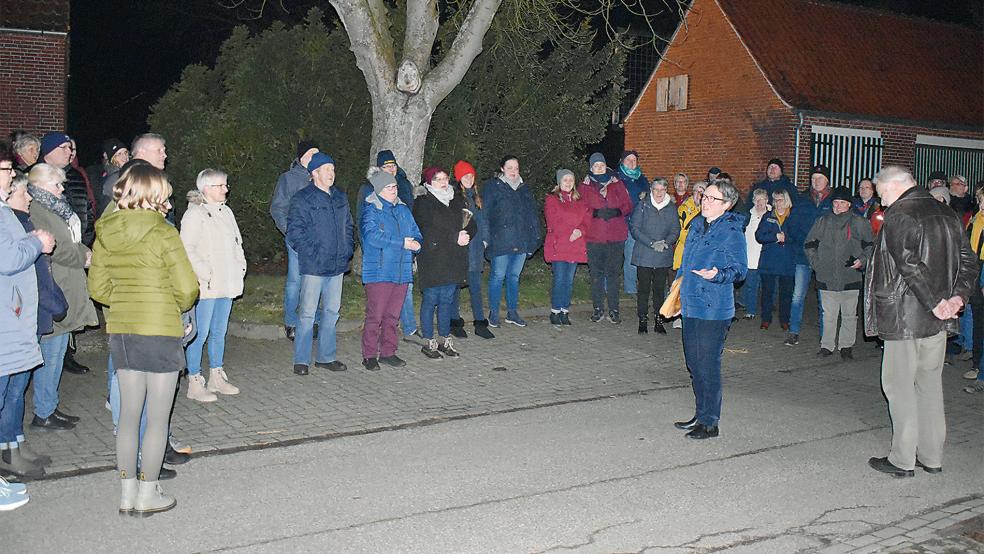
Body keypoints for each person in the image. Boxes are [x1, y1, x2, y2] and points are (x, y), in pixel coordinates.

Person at [88, 163, 199, 515]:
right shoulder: (163, 232)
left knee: (129, 415)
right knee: (157, 418)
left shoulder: (105, 231)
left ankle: (127, 493)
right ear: (154, 194)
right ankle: (148, 494)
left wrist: (125, 301)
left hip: (123, 330)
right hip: (161, 330)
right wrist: (170, 305)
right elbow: (187, 289)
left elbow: (98, 288)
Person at [864, 166, 977, 477]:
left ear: (895, 186)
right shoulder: (947, 213)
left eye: (882, 194)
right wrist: (957, 299)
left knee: (899, 385)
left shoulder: (901, 214)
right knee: (929, 386)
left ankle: (902, 459)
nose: (882, 202)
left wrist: (937, 302)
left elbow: (909, 266)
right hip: (937, 320)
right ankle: (931, 456)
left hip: (906, 316)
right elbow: (969, 261)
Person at [672, 179, 747, 440]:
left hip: (713, 307)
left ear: (727, 204)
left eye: (712, 198)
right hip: (691, 303)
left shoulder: (731, 231)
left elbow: (740, 270)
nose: (705, 201)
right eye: (705, 196)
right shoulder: (696, 225)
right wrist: (677, 289)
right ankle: (700, 414)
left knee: (708, 365)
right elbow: (685, 262)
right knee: (693, 363)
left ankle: (710, 422)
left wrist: (718, 274)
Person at [0, 155, 54, 509]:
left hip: (12, 323)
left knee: (11, 393)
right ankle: (8, 454)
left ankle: (12, 449)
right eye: (7, 170)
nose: (12, 176)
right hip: (6, 323)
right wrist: (37, 242)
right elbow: (7, 260)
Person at [27, 164, 98, 431]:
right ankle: (44, 411)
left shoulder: (54, 207)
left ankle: (49, 406)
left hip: (67, 283)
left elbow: (69, 241)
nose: (61, 189)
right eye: (56, 185)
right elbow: (55, 249)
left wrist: (83, 252)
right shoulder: (38, 210)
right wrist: (84, 257)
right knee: (51, 352)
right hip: (57, 287)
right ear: (40, 185)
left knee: (56, 352)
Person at [180, 169, 246, 402]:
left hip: (227, 283)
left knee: (219, 332)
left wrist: (240, 266)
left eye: (226, 185)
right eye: (221, 185)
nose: (226, 189)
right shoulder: (194, 214)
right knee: (199, 334)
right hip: (207, 286)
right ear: (206, 188)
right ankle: (194, 380)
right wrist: (205, 273)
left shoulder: (226, 212)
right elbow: (187, 248)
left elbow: (237, 243)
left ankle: (216, 375)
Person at [286, 152, 354, 376]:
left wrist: (347, 249)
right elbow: (295, 232)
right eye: (327, 170)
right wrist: (312, 253)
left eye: (333, 169)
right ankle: (301, 360)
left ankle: (326, 357)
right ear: (314, 173)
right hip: (314, 266)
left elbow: (348, 226)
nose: (332, 174)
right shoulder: (302, 198)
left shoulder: (340, 197)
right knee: (307, 313)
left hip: (337, 265)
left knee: (332, 312)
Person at [358, 171, 421, 370]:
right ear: (378, 190)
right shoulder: (371, 211)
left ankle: (388, 352)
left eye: (395, 187)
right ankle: (369, 355)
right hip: (379, 271)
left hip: (402, 271)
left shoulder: (403, 210)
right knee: (375, 316)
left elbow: (416, 232)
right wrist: (401, 243)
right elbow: (372, 237)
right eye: (389, 187)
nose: (393, 190)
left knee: (393, 316)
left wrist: (417, 244)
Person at [413, 167, 477, 359]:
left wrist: (467, 234)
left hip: (452, 258)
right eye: (437, 179)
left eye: (445, 178)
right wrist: (453, 237)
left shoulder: (456, 199)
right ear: (428, 182)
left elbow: (471, 223)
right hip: (433, 257)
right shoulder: (423, 202)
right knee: (431, 299)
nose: (442, 182)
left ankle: (444, 338)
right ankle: (428, 340)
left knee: (447, 300)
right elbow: (426, 229)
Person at [804, 187, 874, 360]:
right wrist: (817, 264)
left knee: (849, 315)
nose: (838, 206)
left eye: (842, 202)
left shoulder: (859, 222)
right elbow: (809, 244)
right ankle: (827, 346)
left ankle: (846, 346)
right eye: (835, 202)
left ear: (849, 204)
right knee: (828, 314)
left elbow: (870, 245)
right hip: (826, 276)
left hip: (850, 276)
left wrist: (862, 260)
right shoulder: (822, 221)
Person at [482, 155, 541, 327]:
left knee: (514, 277)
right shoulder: (493, 187)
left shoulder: (524, 189)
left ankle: (512, 312)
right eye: (509, 168)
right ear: (502, 169)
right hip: (500, 240)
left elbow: (532, 215)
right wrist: (486, 238)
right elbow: (485, 214)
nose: (514, 171)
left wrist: (535, 239)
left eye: (516, 168)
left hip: (522, 240)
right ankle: (494, 313)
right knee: (498, 276)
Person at [269, 140, 319, 341]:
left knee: (315, 280)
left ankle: (312, 320)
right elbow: (277, 208)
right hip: (297, 239)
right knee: (295, 281)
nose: (316, 157)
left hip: (318, 240)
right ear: (302, 156)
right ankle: (291, 321)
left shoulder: (320, 176)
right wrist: (290, 232)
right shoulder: (288, 179)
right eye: (312, 153)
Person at [784, 164, 833, 346]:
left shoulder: (834, 201)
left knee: (824, 298)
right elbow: (792, 224)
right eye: (813, 178)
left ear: (827, 181)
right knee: (798, 295)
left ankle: (825, 336)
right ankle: (793, 331)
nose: (816, 181)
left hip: (824, 256)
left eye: (820, 178)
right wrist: (804, 242)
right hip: (803, 254)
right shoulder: (802, 199)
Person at [581, 152, 633, 323]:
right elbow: (580, 207)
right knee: (596, 274)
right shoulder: (585, 186)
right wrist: (594, 213)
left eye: (601, 165)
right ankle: (597, 308)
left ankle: (614, 309)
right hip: (594, 237)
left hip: (615, 236)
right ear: (591, 168)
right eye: (595, 166)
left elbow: (628, 205)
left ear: (606, 166)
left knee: (613, 274)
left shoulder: (617, 183)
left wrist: (617, 211)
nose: (599, 168)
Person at [628, 177, 679, 334]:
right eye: (656, 189)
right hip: (644, 253)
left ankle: (659, 319)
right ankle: (642, 319)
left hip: (662, 253)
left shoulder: (671, 208)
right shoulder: (642, 205)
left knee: (659, 289)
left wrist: (666, 242)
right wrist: (651, 243)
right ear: (651, 190)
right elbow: (634, 228)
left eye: (662, 190)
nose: (659, 193)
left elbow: (675, 229)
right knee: (643, 288)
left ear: (666, 190)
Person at [450, 160, 494, 338]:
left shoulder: (477, 198)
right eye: (465, 176)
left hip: (476, 249)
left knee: (476, 286)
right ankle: (454, 321)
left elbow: (484, 221)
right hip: (461, 248)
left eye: (471, 175)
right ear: (458, 178)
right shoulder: (454, 197)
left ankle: (480, 322)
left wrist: (485, 241)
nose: (469, 178)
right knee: (456, 286)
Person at [544, 169, 590, 325]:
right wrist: (574, 224)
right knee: (559, 279)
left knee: (569, 280)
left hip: (575, 245)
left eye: (571, 180)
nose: (568, 183)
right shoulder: (552, 199)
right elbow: (554, 222)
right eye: (565, 180)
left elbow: (587, 220)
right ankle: (555, 311)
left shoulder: (580, 201)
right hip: (559, 244)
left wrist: (580, 230)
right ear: (559, 182)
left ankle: (565, 310)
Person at [755, 188, 795, 332]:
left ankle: (785, 320)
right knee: (767, 293)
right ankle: (766, 319)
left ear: (787, 201)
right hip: (769, 260)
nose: (778, 203)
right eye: (776, 200)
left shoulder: (793, 216)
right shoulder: (768, 216)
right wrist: (775, 237)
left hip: (787, 261)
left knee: (786, 293)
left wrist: (787, 238)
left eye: (781, 200)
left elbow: (799, 235)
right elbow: (759, 236)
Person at [617, 151, 649, 296]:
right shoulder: (616, 178)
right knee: (613, 257)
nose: (631, 162)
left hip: (636, 224)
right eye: (628, 160)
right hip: (618, 223)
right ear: (622, 161)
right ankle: (607, 287)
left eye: (634, 160)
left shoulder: (642, 179)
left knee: (631, 257)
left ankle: (630, 288)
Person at [741, 188, 770, 320]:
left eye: (761, 200)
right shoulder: (748, 216)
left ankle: (767, 311)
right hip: (751, 257)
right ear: (753, 201)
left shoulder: (772, 216)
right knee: (751, 286)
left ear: (767, 200)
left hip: (766, 258)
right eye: (756, 200)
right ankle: (750, 310)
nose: (759, 203)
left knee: (766, 287)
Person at [94, 138, 130, 214]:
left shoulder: (129, 173)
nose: (124, 157)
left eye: (125, 152)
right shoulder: (111, 177)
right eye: (119, 154)